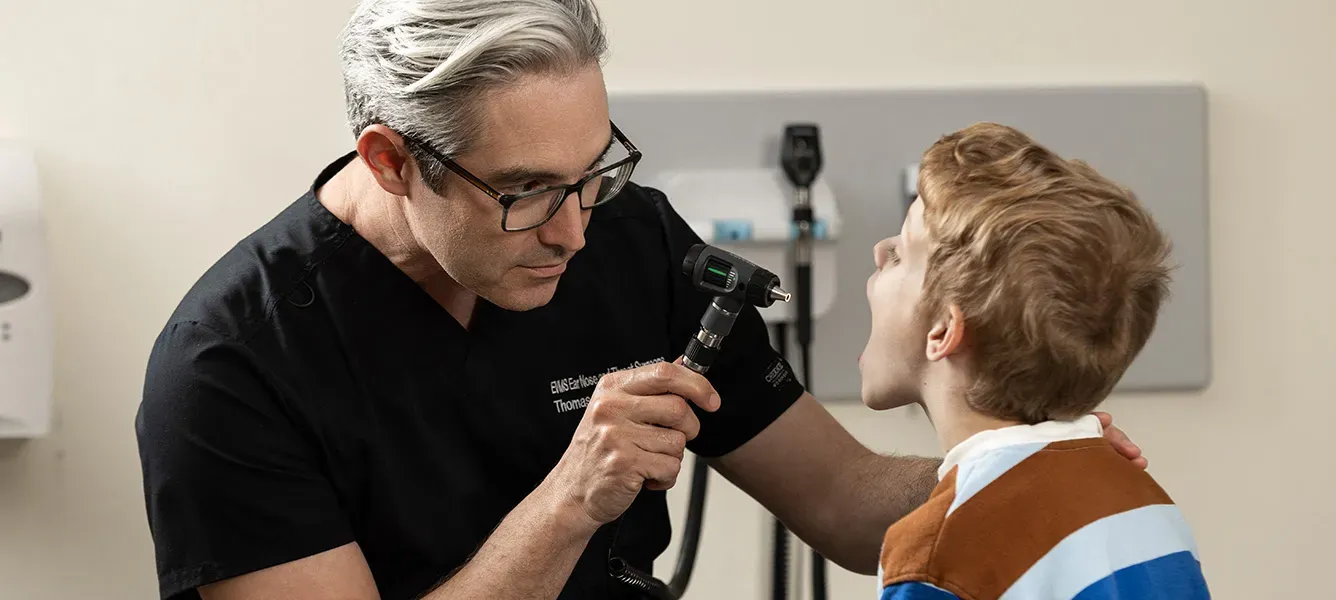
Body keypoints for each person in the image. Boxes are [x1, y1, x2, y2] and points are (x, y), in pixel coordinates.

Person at [132, 2, 1147, 599]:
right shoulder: (231, 369)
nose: (577, 231)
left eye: (595, 170)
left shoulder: (628, 240)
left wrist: (1022, 463)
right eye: (526, 192)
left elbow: (841, 502)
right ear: (393, 160)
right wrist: (572, 499)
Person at [862, 123, 1209, 600]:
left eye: (900, 253)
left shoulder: (938, 555)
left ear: (944, 330)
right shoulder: (1145, 506)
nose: (879, 252)